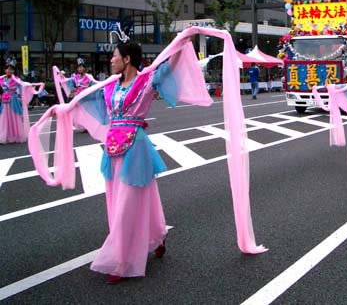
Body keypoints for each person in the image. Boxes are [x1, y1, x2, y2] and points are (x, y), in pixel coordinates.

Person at [28, 25, 267, 285]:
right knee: (124, 200)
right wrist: (62, 110)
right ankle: (157, 236)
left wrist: (183, 40)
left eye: (114, 56)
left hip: (135, 148)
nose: (111, 60)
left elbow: (169, 65)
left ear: (127, 59)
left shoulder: (146, 81)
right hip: (112, 149)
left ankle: (123, 260)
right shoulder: (110, 86)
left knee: (127, 204)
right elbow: (84, 100)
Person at [0, 57, 44, 144]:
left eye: (11, 69)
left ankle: (15, 136)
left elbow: (24, 85)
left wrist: (32, 85)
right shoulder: (1, 79)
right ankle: (5, 135)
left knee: (14, 118)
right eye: (8, 69)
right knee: (4, 119)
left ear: (13, 71)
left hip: (13, 101)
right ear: (5, 70)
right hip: (4, 101)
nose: (9, 71)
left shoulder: (16, 79)